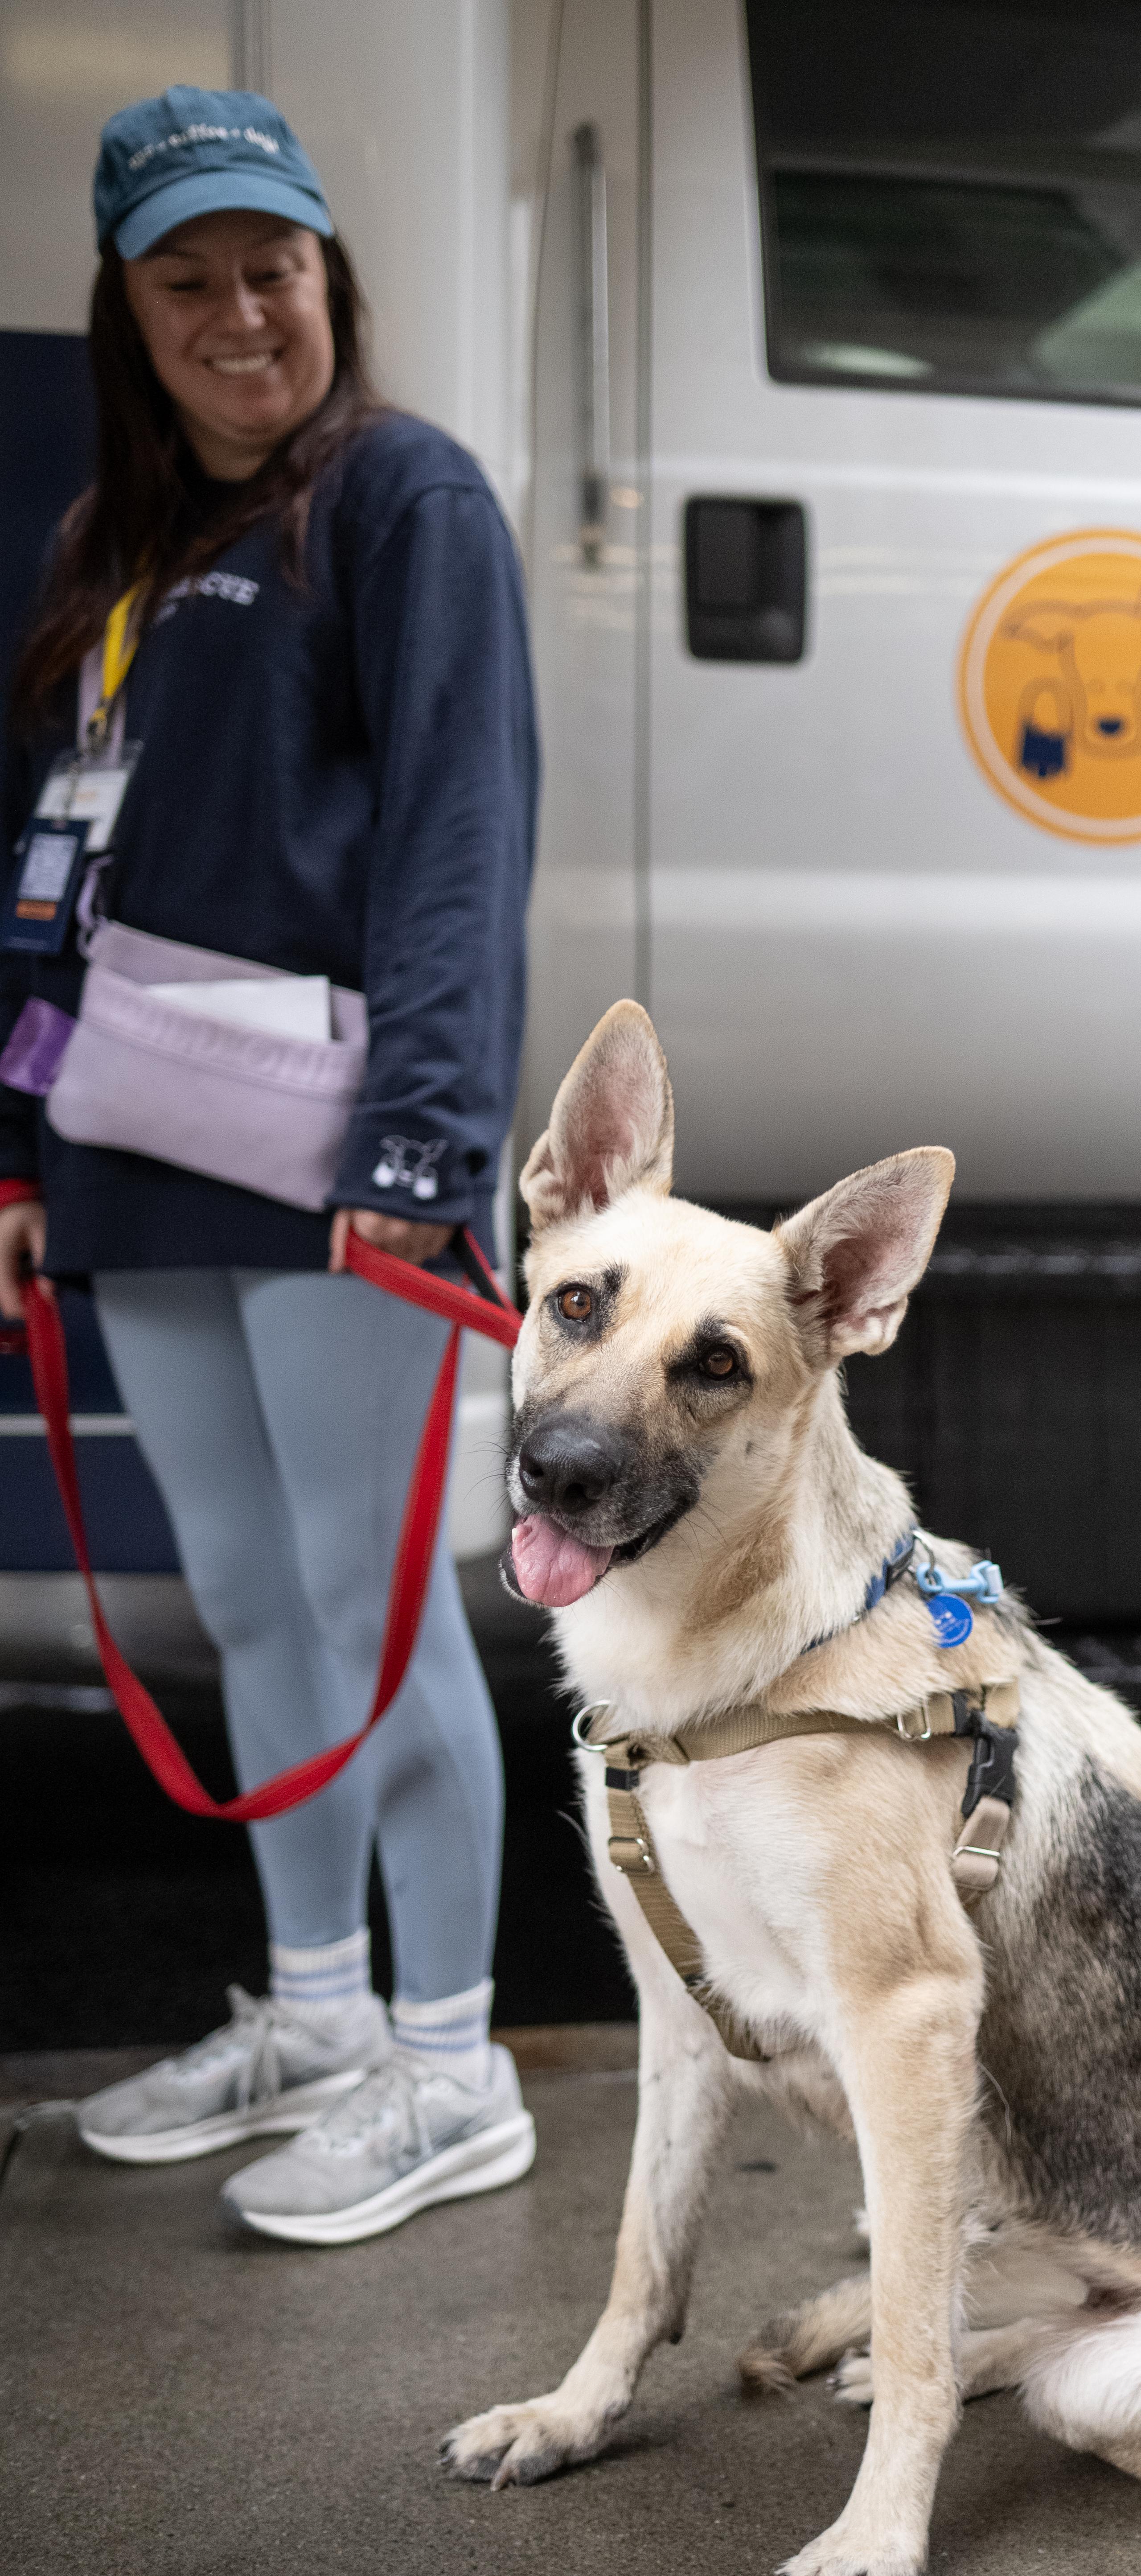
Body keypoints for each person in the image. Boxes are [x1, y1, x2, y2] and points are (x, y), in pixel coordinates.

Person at [0, 89, 540, 2246]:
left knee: (377, 1607)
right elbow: (54, 874)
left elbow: (456, 843)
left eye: (274, 268)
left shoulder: (401, 496)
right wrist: (17, 1142)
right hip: (132, 1146)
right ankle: (318, 2012)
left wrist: (428, 1139)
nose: (241, 313)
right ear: (127, 312)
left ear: (332, 281)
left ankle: (452, 2064)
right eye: (188, 278)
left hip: (342, 1167)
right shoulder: (105, 554)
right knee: (244, 1605)